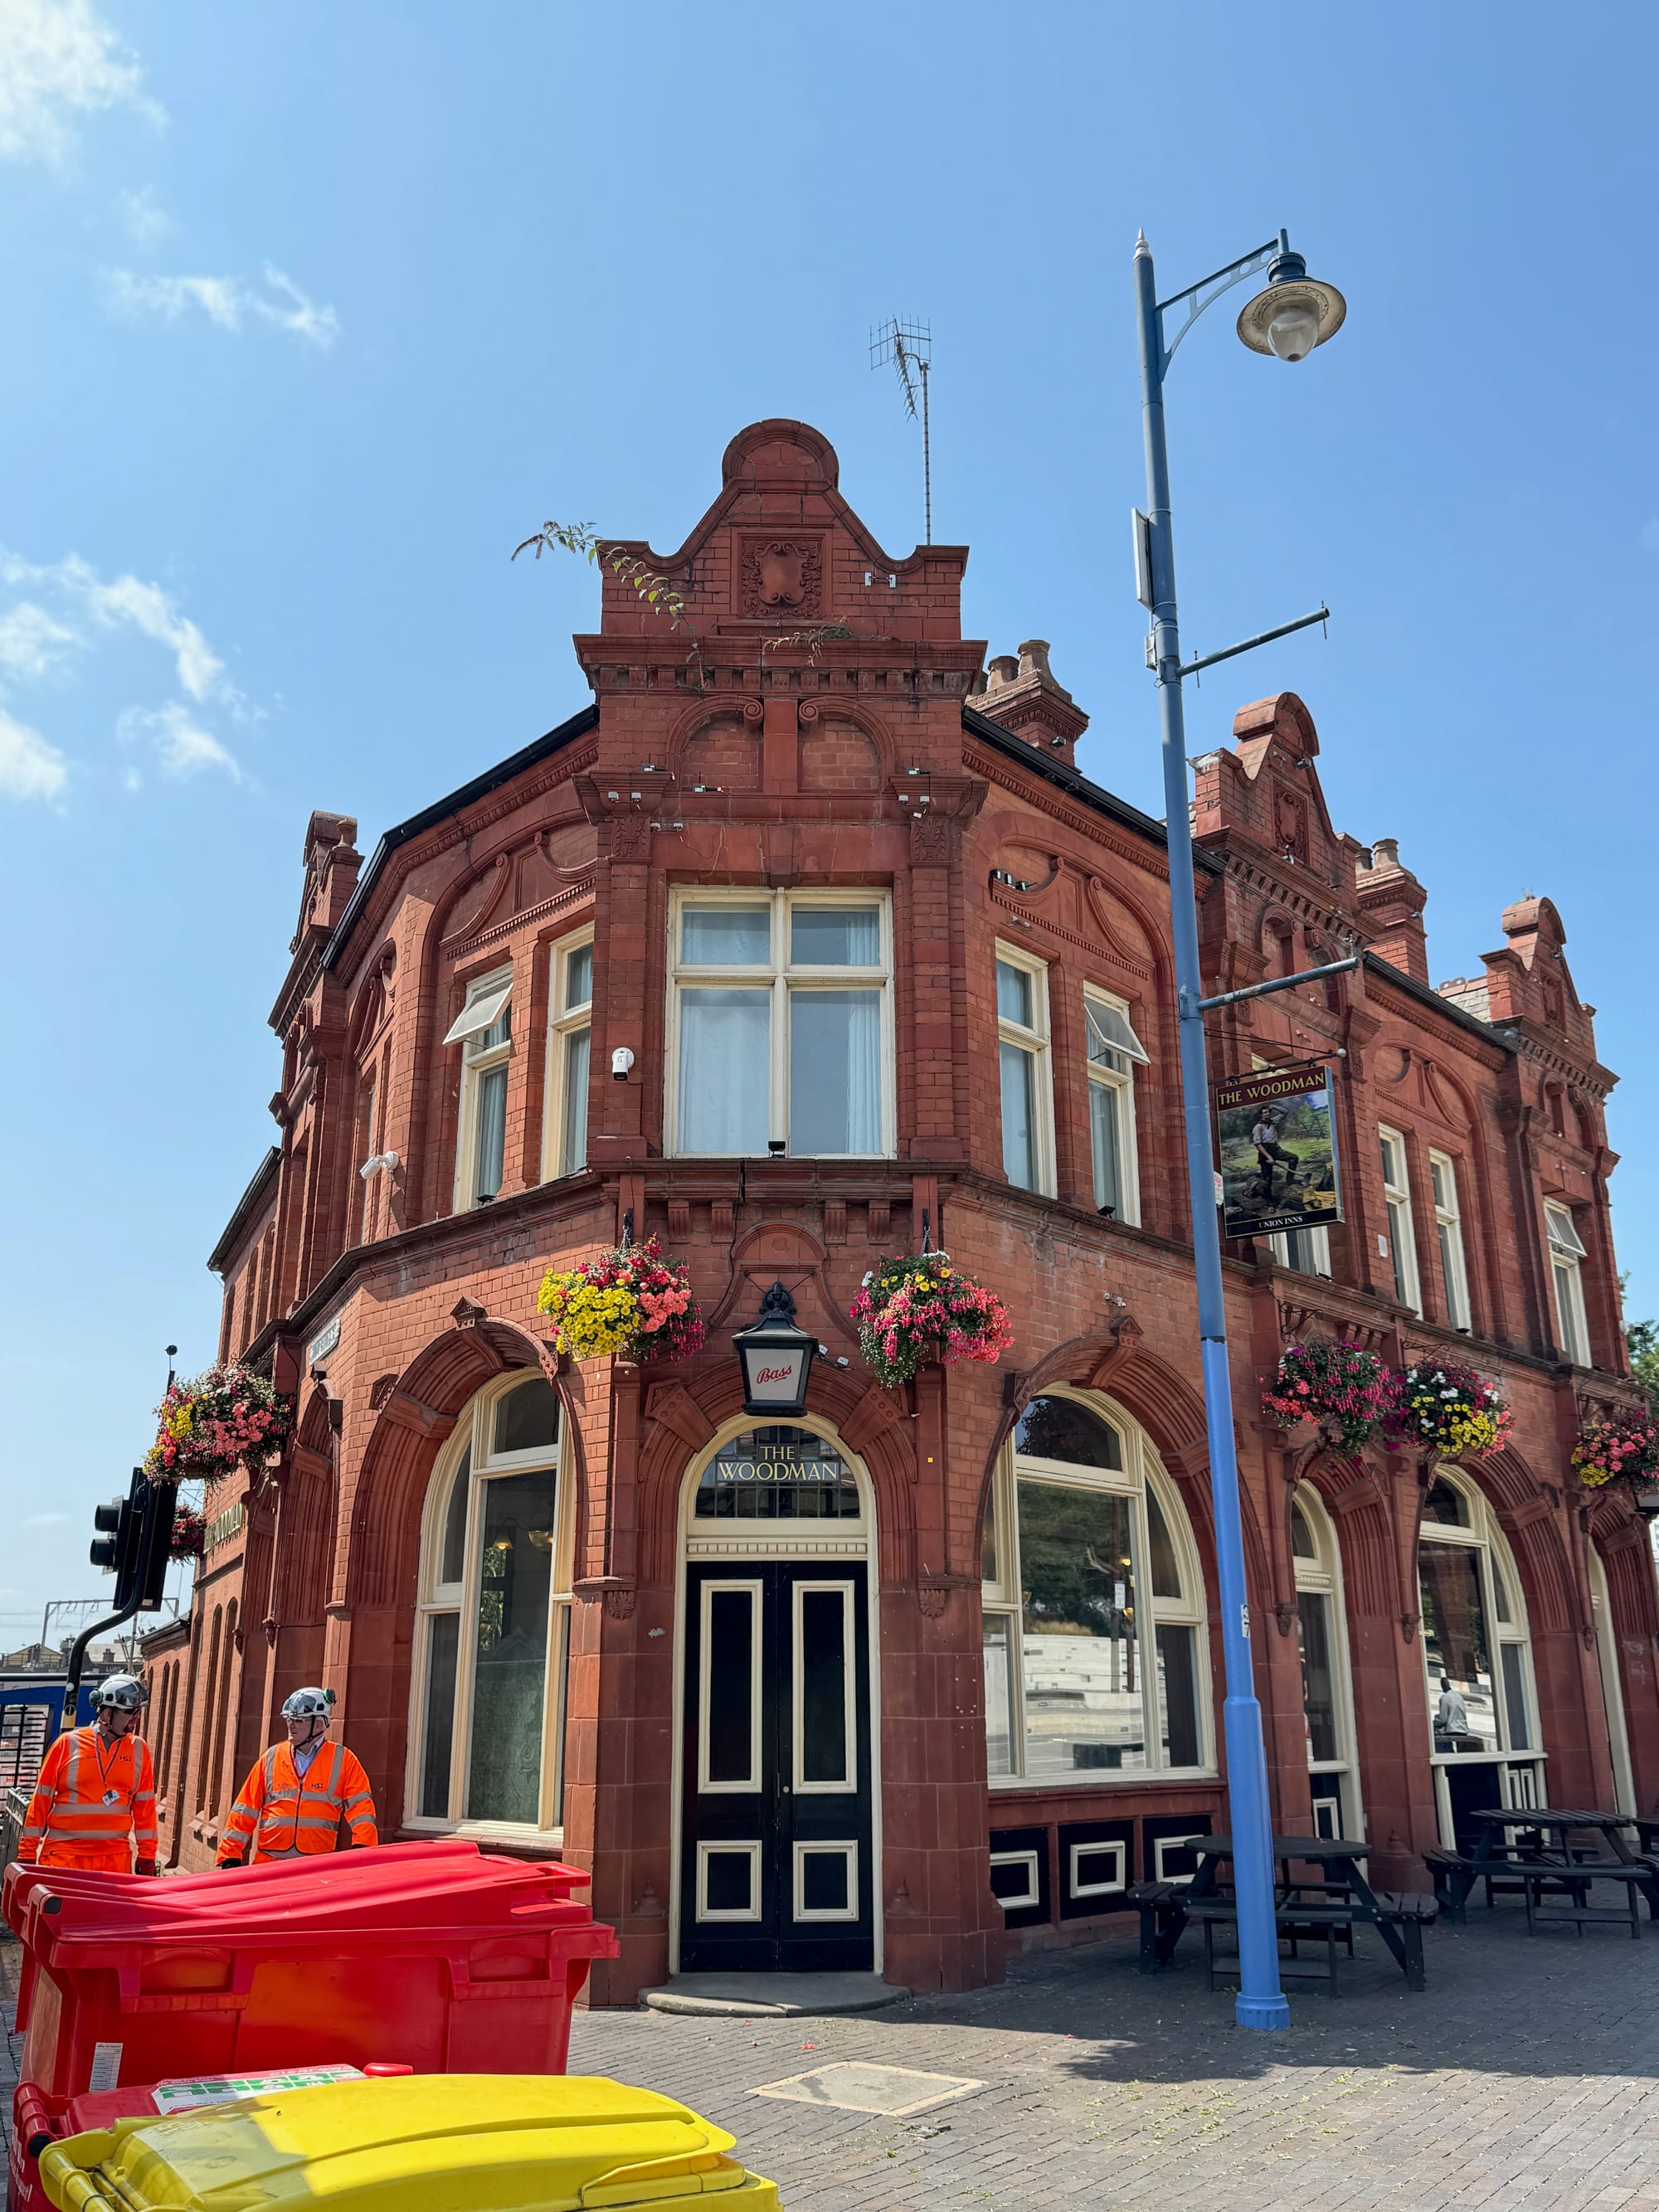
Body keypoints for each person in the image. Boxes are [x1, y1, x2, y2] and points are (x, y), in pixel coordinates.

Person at [216, 1687, 378, 1867]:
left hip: (316, 1867)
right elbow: (244, 1809)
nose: (291, 1725)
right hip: (269, 1864)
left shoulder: (344, 1760)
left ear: (319, 1724)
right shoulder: (271, 1757)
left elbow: (362, 1810)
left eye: (298, 1721)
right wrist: (229, 1855)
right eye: (289, 1719)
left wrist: (363, 1849)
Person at [16, 1675, 158, 1874]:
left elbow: (145, 1808)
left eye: (138, 1712)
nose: (136, 1717)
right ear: (107, 1714)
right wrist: (27, 1853)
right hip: (65, 1856)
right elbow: (40, 1801)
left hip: (114, 1860)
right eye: (130, 1711)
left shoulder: (138, 1749)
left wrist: (147, 1854)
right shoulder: (67, 1744)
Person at [1250, 1105, 1300, 1201]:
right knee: (1268, 1180)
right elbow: (1258, 1145)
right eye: (1265, 1112)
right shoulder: (1258, 1127)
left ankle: (1290, 1180)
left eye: (1268, 1112)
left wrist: (1273, 1106)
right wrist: (1269, 1157)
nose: (1267, 1113)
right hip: (1264, 1151)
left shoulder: (1273, 1122)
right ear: (1261, 1115)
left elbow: (1285, 1112)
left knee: (1294, 1158)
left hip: (1275, 1149)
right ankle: (1269, 1202)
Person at [1435, 1675, 1470, 1747]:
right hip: (1463, 1729)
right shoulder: (1459, 1696)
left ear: (1442, 1686)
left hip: (1452, 1729)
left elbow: (1443, 1719)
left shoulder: (1445, 1698)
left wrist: (1434, 1721)